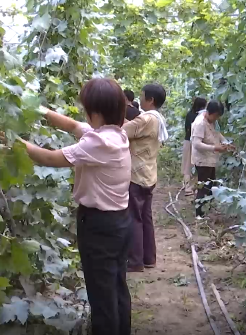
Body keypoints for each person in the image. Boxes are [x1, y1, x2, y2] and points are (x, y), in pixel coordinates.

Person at [16, 78, 132, 335]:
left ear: (97, 113)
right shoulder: (114, 135)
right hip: (120, 223)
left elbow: (48, 158)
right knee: (116, 287)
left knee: (102, 298)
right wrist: (40, 110)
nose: (83, 114)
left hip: (99, 227)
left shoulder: (98, 144)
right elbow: (72, 125)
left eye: (86, 109)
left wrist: (14, 142)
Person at [123, 83, 169, 272]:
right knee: (145, 217)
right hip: (148, 173)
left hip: (137, 174)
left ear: (150, 100)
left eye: (142, 96)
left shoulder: (146, 120)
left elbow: (122, 131)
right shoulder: (157, 118)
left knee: (134, 217)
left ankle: (135, 261)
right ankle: (148, 258)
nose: (138, 99)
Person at [191, 100, 234, 218]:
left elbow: (217, 134)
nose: (216, 119)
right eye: (215, 116)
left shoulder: (212, 122)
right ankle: (199, 214)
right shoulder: (200, 123)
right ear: (210, 112)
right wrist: (214, 147)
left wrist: (226, 143)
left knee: (210, 186)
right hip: (202, 160)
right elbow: (196, 144)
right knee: (203, 187)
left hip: (210, 160)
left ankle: (205, 210)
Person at [182, 97, 207, 196]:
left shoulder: (189, 114)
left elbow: (186, 128)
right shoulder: (202, 117)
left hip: (188, 140)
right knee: (198, 165)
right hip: (198, 142)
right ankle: (195, 186)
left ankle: (187, 186)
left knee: (187, 164)